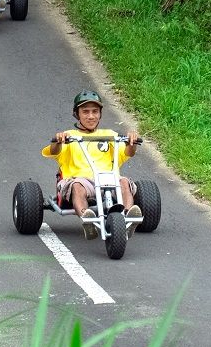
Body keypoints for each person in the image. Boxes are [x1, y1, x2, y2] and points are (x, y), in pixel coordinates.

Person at [42, 91, 141, 239]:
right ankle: (87, 220)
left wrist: (131, 141)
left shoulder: (110, 135)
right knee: (77, 186)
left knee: (124, 182)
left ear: (100, 114)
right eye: (85, 112)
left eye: (95, 112)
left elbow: (128, 152)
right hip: (81, 180)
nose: (91, 116)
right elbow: (55, 151)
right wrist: (58, 141)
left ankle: (127, 217)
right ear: (77, 114)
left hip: (108, 179)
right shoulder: (69, 136)